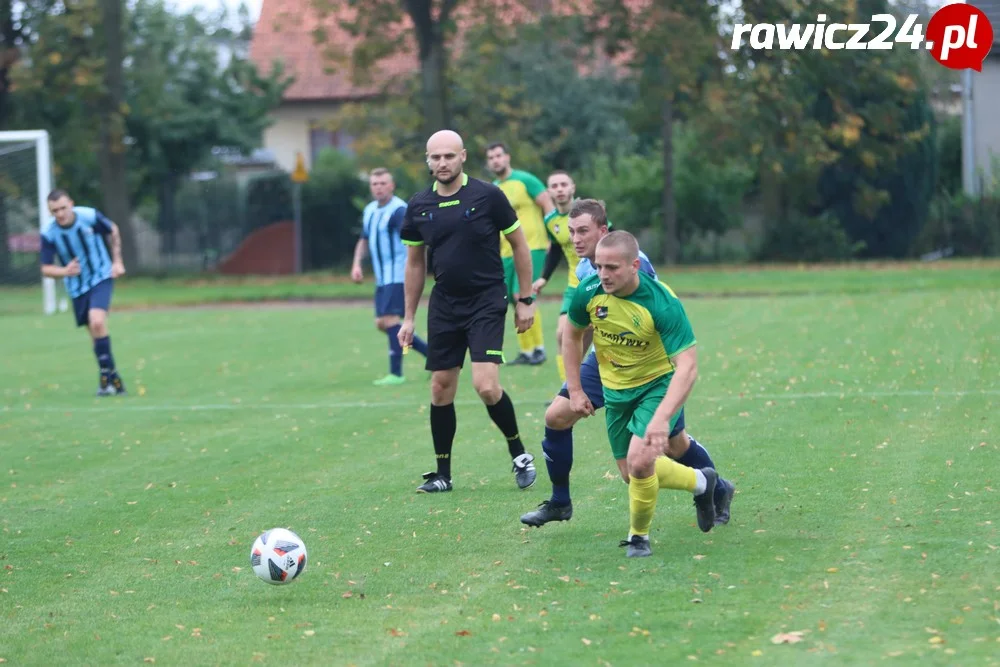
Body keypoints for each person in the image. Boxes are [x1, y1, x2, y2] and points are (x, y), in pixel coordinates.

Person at [520, 201, 735, 541]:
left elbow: (643, 318)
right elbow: (591, 318)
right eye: (572, 232)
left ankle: (717, 487)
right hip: (607, 359)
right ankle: (560, 502)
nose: (575, 239)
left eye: (583, 232)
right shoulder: (584, 267)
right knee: (557, 416)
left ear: (603, 232)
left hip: (653, 364)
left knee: (673, 445)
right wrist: (575, 385)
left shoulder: (636, 268)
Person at [398, 130, 538, 493]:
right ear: (427, 161)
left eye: (448, 156)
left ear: (462, 157)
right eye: (435, 157)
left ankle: (519, 453)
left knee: (486, 386)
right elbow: (414, 264)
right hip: (444, 303)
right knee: (440, 387)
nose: (442, 163)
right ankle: (443, 474)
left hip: (487, 299)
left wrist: (524, 300)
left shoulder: (488, 195)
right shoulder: (418, 206)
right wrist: (409, 317)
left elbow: (520, 247)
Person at [40, 189, 127, 396]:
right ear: (49, 211)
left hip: (100, 276)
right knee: (95, 333)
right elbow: (45, 268)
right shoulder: (49, 232)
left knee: (97, 321)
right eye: (55, 210)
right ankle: (111, 378)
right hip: (76, 286)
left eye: (63, 208)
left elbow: (112, 230)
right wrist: (64, 271)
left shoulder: (89, 216)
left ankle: (107, 377)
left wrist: (117, 261)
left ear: (71, 203)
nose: (60, 214)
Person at [351, 167, 429, 385]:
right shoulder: (369, 211)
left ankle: (396, 373)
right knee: (381, 323)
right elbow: (364, 239)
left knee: (390, 320)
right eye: (375, 184)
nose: (379, 188)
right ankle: (432, 355)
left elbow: (413, 242)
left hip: (398, 275)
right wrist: (357, 264)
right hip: (382, 278)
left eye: (383, 183)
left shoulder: (399, 211)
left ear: (391, 186)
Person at [485, 142, 554, 366]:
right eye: (491, 157)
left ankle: (539, 349)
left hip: (532, 246)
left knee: (522, 294)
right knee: (511, 300)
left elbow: (547, 204)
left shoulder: (526, 180)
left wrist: (554, 236)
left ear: (507, 157)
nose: (496, 160)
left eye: (499, 155)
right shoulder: (494, 188)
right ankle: (526, 350)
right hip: (505, 252)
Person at [531, 170, 580, 382]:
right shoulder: (551, 220)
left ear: (572, 188)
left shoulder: (588, 213)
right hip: (573, 285)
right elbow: (558, 249)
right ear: (549, 192)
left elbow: (611, 239)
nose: (560, 189)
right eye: (555, 186)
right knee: (562, 336)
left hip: (599, 283)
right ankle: (568, 390)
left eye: (564, 184)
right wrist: (544, 278)